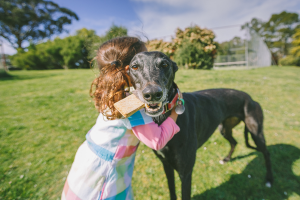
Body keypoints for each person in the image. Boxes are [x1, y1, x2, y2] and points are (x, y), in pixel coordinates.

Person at [61, 37, 180, 200]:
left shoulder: (113, 91)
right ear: (129, 69)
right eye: (142, 63)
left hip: (88, 159)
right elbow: (157, 141)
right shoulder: (130, 103)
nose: (150, 68)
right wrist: (175, 111)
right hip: (105, 172)